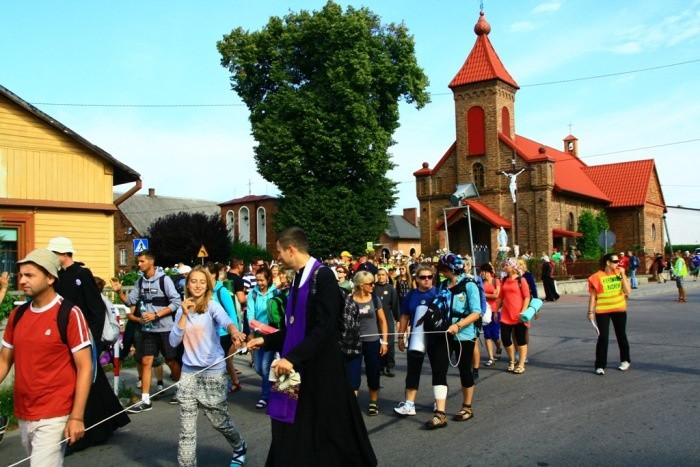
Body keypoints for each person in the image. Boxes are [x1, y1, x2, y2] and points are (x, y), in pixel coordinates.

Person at [247, 227, 376, 466]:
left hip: (319, 367)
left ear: (291, 249)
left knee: (328, 427)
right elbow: (294, 327)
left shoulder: (323, 276)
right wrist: (265, 340)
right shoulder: (296, 278)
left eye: (279, 252)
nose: (277, 258)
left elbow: (325, 328)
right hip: (292, 363)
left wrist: (292, 358)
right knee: (283, 420)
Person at [0, 249, 92, 465]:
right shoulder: (18, 314)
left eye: (30, 275)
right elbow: (5, 360)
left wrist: (77, 416)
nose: (22, 281)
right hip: (23, 411)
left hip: (55, 413)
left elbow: (85, 367)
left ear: (50, 278)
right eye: (20, 275)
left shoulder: (69, 313)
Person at [48, 237, 130, 450]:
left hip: (83, 336)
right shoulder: (55, 277)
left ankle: (89, 430)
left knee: (86, 380)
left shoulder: (82, 274)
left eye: (54, 253)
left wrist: (92, 339)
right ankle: (107, 422)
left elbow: (96, 309)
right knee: (92, 382)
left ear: (64, 254)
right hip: (64, 336)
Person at [169, 266, 248, 466]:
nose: (197, 285)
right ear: (187, 284)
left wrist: (234, 332)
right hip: (188, 374)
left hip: (213, 372)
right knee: (186, 430)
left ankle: (239, 446)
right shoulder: (182, 309)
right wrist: (184, 315)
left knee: (219, 421)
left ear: (207, 286)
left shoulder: (211, 306)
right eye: (193, 281)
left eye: (202, 282)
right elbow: (172, 342)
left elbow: (226, 321)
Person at [111, 249, 182, 412]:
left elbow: (176, 302)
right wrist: (118, 291)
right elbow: (130, 301)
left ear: (151, 262)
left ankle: (182, 390)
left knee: (171, 360)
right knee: (146, 361)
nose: (139, 264)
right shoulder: (140, 281)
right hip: (148, 329)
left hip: (165, 328)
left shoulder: (165, 280)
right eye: (139, 261)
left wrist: (156, 314)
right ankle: (145, 399)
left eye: (142, 261)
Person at [432, 254, 482, 427]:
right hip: (444, 333)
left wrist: (459, 325)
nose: (440, 271)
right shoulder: (443, 285)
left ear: (450, 269)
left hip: (464, 334)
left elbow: (477, 312)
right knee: (439, 369)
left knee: (464, 369)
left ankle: (467, 407)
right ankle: (440, 413)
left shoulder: (469, 285)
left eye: (442, 268)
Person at [394, 264, 438, 417]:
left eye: (429, 277)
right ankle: (409, 404)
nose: (426, 280)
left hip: (435, 338)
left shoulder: (438, 293)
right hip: (416, 337)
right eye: (423, 277)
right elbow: (405, 316)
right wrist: (401, 336)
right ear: (417, 279)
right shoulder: (411, 295)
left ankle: (438, 403)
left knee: (437, 370)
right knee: (413, 370)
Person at [344, 271, 388, 415]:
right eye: (370, 283)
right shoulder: (349, 299)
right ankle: (352, 406)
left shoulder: (374, 299)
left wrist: (385, 342)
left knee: (373, 371)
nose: (373, 286)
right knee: (353, 374)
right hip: (354, 342)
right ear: (361, 285)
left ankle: (373, 402)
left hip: (372, 341)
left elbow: (382, 321)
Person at [588, 253, 631, 375]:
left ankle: (625, 360)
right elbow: (593, 296)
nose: (618, 263)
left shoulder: (619, 274)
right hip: (602, 311)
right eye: (616, 261)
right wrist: (590, 311)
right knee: (603, 337)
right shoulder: (596, 277)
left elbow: (628, 291)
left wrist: (622, 274)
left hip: (619, 309)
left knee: (621, 335)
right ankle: (600, 365)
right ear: (608, 262)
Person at [205, 262, 242, 393]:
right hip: (210, 334)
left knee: (223, 360)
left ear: (214, 275)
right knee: (223, 361)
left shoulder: (222, 291)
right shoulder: (205, 291)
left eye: (206, 274)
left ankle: (226, 384)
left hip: (224, 333)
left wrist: (235, 334)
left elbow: (232, 313)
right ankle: (233, 382)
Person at [247, 266, 279, 409]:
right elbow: (250, 314)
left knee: (266, 367)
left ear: (269, 279)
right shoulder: (252, 294)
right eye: (257, 280)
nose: (259, 283)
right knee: (259, 368)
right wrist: (251, 332)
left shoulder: (276, 293)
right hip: (257, 334)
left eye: (262, 280)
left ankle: (265, 397)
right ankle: (273, 386)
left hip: (271, 336)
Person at [495, 258, 531, 374]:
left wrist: (523, 311)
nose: (504, 267)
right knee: (505, 338)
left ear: (513, 267)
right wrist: (496, 310)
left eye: (507, 265)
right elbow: (500, 297)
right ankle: (512, 360)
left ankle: (521, 364)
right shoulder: (504, 279)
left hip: (519, 315)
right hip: (506, 314)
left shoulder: (522, 280)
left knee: (521, 340)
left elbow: (527, 297)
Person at [375, 267, 399, 377]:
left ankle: (389, 366)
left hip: (387, 318)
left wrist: (398, 319)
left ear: (387, 276)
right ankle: (379, 366)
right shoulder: (373, 288)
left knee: (389, 342)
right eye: (379, 274)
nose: (381, 277)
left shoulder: (391, 289)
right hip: (375, 319)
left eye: (383, 274)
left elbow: (395, 305)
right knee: (377, 342)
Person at [480, 263, 502, 366]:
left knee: (495, 335)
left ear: (487, 272)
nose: (481, 274)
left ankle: (498, 346)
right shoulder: (482, 283)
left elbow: (496, 295)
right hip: (485, 311)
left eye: (482, 272)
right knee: (487, 334)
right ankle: (491, 358)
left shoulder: (495, 281)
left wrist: (484, 295)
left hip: (495, 310)